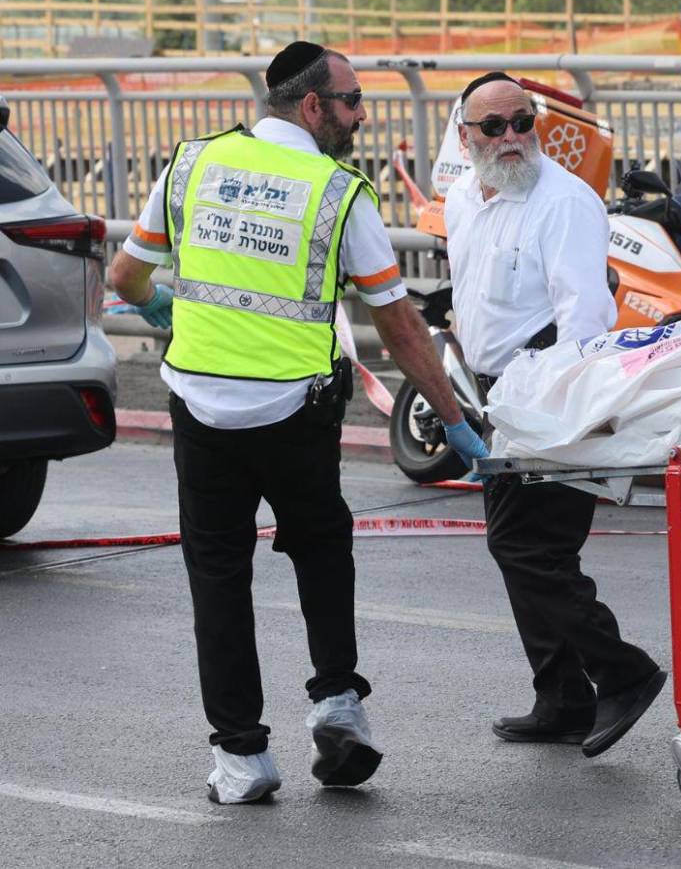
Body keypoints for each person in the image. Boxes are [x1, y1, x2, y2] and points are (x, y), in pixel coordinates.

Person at [109, 42, 489, 804]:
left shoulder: (192, 164)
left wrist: (161, 309)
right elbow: (401, 330)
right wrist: (455, 421)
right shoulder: (337, 192)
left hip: (200, 408)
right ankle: (337, 702)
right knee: (320, 551)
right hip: (294, 411)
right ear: (312, 107)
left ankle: (242, 761)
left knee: (217, 578)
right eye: (351, 101)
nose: (360, 115)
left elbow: (126, 277)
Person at [444, 72, 666, 757]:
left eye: (523, 121)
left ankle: (623, 674)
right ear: (465, 136)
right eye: (494, 127)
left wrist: (571, 413)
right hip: (494, 392)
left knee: (526, 547)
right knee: (529, 551)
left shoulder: (564, 202)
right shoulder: (461, 197)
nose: (511, 138)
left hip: (551, 388)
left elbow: (585, 316)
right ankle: (562, 697)